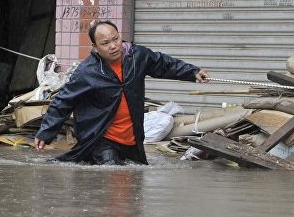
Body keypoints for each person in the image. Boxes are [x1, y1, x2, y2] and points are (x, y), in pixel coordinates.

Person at [34, 20, 209, 165]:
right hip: (102, 138)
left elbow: (164, 64)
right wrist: (46, 132)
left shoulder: (137, 57)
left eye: (115, 39)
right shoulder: (88, 71)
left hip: (133, 139)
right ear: (95, 47)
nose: (113, 46)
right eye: (105, 43)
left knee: (133, 186)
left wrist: (192, 72)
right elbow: (64, 101)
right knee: (109, 175)